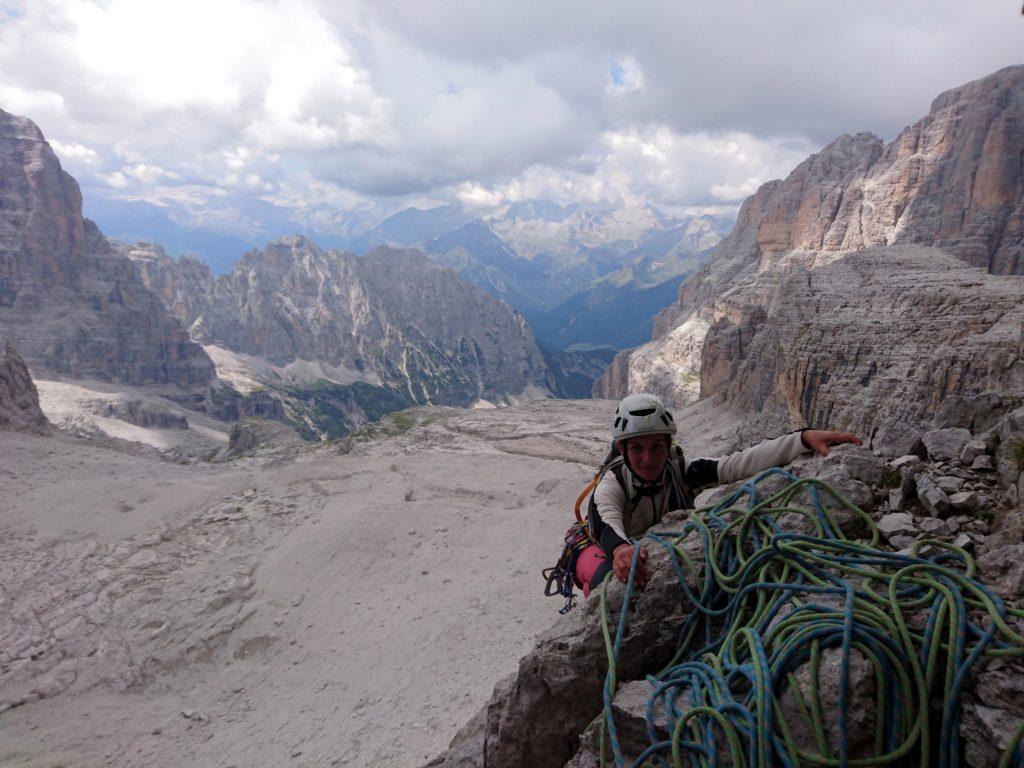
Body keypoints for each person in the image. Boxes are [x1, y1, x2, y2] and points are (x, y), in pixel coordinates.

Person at [574, 393, 861, 596]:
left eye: (657, 447)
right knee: (602, 579)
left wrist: (801, 439)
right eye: (637, 448)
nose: (648, 458)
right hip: (606, 549)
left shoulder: (682, 470)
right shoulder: (612, 483)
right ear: (622, 450)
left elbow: (737, 464)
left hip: (649, 546)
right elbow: (604, 521)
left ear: (668, 445)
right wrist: (621, 549)